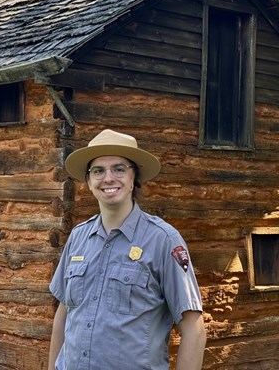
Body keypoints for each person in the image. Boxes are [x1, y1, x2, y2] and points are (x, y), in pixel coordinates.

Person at [48, 129, 206, 370]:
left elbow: (194, 328)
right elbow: (63, 314)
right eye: (98, 171)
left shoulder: (163, 240)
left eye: (119, 169)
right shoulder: (78, 237)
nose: (108, 178)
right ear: (89, 181)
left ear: (134, 179)